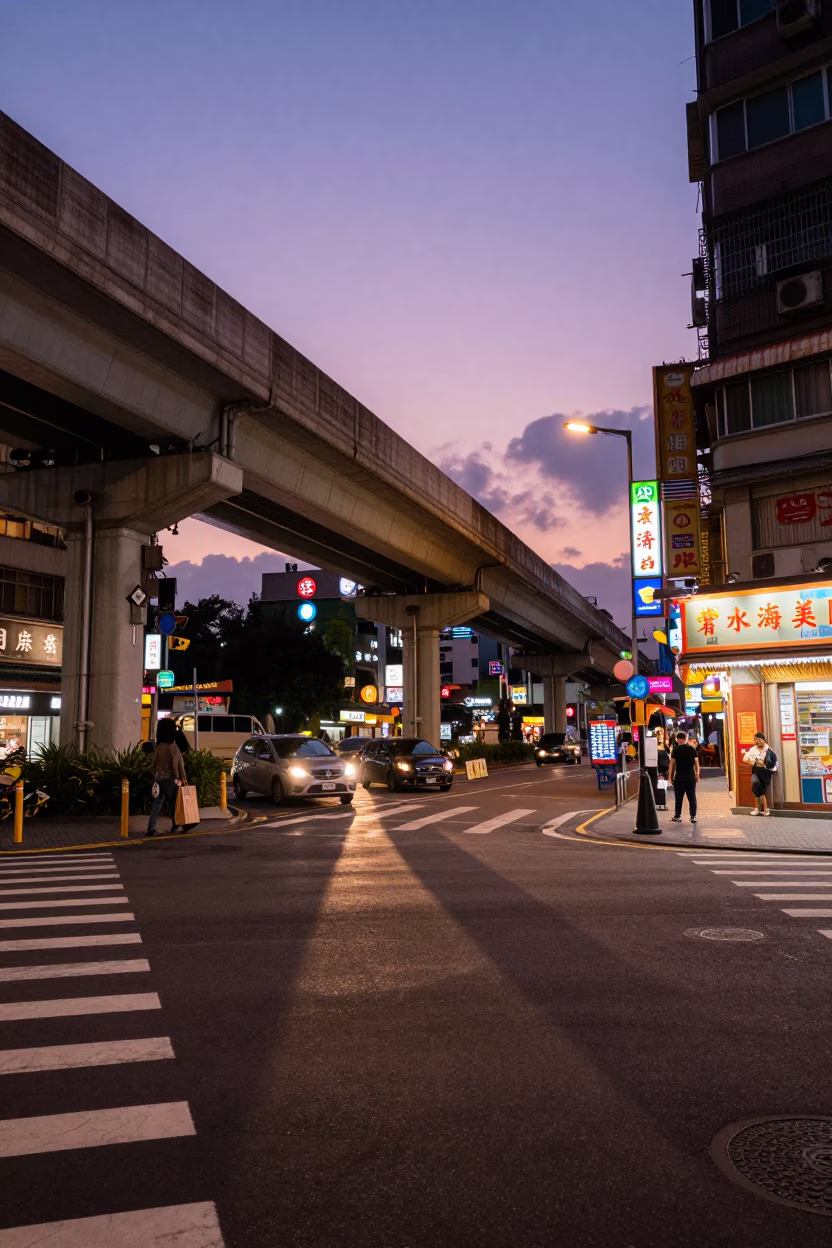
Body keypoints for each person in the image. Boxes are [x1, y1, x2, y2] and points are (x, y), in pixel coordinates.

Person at [147, 717, 187, 837]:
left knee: (157, 805)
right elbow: (179, 764)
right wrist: (183, 778)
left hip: (160, 780)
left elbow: (153, 764)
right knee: (175, 804)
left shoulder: (159, 748)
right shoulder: (173, 748)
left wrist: (154, 777)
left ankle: (151, 828)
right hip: (173, 780)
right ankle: (176, 826)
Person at [669, 728, 700, 824]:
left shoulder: (676, 750)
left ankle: (678, 815)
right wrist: (697, 775)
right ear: (685, 738)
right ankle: (693, 816)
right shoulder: (692, 749)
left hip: (679, 777)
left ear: (678, 739)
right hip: (690, 777)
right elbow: (696, 763)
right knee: (692, 797)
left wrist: (670, 777)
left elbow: (672, 764)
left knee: (678, 797)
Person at [743, 731, 777, 816]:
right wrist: (754, 763)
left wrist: (765, 764)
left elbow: (774, 761)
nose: (757, 742)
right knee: (756, 789)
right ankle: (759, 809)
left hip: (766, 772)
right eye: (756, 740)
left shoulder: (769, 750)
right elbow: (745, 759)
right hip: (756, 771)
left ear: (763, 740)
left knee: (764, 790)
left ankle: (764, 809)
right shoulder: (752, 749)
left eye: (759, 740)